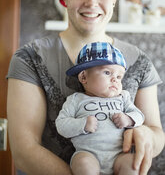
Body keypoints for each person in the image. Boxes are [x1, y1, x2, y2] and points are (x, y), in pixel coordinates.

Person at [7, 0, 164, 175]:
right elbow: (24, 150)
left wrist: (148, 135)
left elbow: (157, 133)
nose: (91, 3)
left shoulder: (139, 60)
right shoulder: (29, 58)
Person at [56, 41, 145, 175]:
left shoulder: (123, 97)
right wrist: (83, 124)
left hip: (119, 154)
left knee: (133, 165)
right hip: (87, 154)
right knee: (83, 164)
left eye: (119, 76)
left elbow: (139, 115)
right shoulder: (75, 99)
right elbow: (61, 124)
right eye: (108, 73)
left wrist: (128, 119)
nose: (115, 79)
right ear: (84, 77)